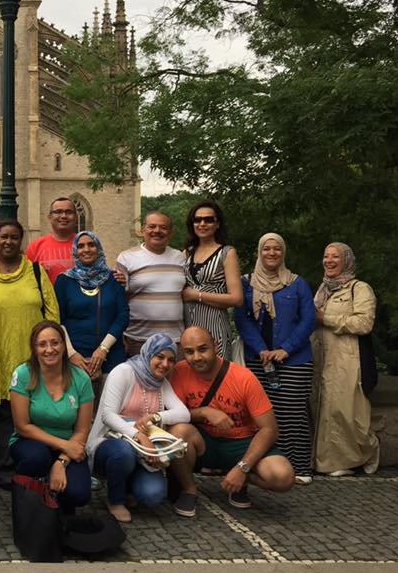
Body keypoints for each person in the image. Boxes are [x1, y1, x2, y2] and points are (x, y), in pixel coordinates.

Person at [0, 220, 59, 483]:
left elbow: (52, 312)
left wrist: (51, 349)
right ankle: (2, 468)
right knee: (1, 415)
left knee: (34, 411)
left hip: (33, 356)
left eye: (14, 237)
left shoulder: (35, 271)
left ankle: (33, 465)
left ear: (21, 241)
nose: (8, 242)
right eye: (4, 237)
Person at [169, 326, 295, 510]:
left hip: (241, 443)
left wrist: (242, 467)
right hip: (205, 443)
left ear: (216, 346)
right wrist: (204, 412)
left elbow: (270, 429)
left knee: (283, 477)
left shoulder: (243, 377)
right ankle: (189, 489)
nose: (196, 357)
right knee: (178, 431)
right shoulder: (179, 371)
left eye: (202, 349)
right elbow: (173, 416)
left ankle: (239, 478)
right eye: (189, 352)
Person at [234, 233, 316, 484]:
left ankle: (299, 467)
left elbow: (308, 319)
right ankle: (266, 464)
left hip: (294, 359)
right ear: (259, 252)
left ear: (283, 252)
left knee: (292, 413)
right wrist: (261, 349)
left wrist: (285, 349)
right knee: (262, 415)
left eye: (277, 249)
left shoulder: (297, 283)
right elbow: (242, 319)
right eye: (266, 249)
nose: (271, 253)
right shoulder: (246, 283)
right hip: (258, 359)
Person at [87, 333, 191, 522]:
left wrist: (156, 416)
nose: (165, 364)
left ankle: (127, 485)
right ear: (148, 353)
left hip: (143, 453)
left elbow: (184, 414)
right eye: (160, 357)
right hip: (111, 444)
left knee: (153, 495)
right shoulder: (123, 372)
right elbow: (108, 415)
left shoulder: (161, 382)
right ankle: (115, 500)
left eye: (171, 360)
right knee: (123, 453)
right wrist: (139, 435)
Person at [9, 320, 94, 515]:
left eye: (55, 343)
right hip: (31, 442)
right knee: (36, 458)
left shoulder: (81, 378)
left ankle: (61, 502)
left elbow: (82, 430)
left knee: (79, 494)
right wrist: (64, 445)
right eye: (42, 344)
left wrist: (61, 462)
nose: (49, 349)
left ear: (64, 346)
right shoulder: (23, 374)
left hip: (69, 445)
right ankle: (30, 500)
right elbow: (22, 426)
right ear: (34, 348)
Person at [311, 242, 380, 476]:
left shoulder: (360, 289)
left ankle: (368, 450)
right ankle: (329, 462)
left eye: (335, 256)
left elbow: (364, 323)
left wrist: (327, 318)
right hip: (322, 358)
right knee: (325, 411)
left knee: (348, 413)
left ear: (347, 261)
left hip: (349, 359)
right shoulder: (322, 290)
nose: (329, 261)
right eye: (326, 256)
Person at [55, 230, 129, 382]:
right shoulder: (64, 281)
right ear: (75, 251)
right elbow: (57, 319)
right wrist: (71, 353)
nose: (86, 249)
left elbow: (123, 316)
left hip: (111, 355)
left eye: (91, 245)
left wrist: (103, 348)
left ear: (98, 248)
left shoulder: (114, 278)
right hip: (76, 358)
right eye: (81, 246)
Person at [115, 211, 186, 355]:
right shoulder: (126, 258)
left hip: (175, 340)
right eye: (152, 226)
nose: (157, 231)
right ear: (143, 230)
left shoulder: (180, 258)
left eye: (163, 227)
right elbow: (117, 299)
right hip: (138, 340)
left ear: (171, 232)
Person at [182, 201, 244, 359]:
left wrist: (197, 295)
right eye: (197, 220)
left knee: (217, 371)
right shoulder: (187, 253)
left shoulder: (227, 253)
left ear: (217, 224)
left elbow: (237, 299)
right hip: (189, 327)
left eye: (208, 220)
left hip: (215, 327)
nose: (202, 224)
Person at [26, 197, 79, 283]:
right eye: (58, 212)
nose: (63, 216)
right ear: (50, 217)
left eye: (69, 212)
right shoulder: (35, 246)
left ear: (76, 217)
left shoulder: (85, 245)